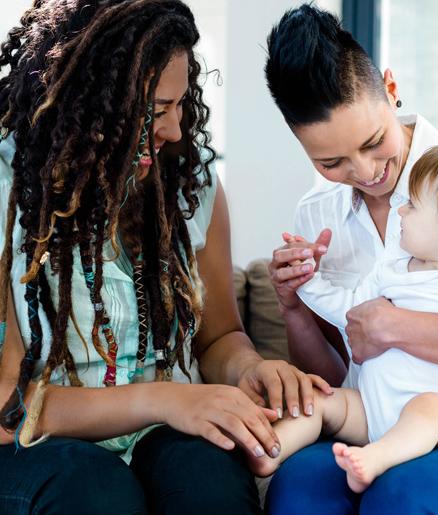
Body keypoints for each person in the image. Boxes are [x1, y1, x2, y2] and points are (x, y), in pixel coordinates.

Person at [0, 1, 331, 514]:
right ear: (90, 104)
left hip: (164, 430)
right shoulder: (8, 192)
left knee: (209, 482)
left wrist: (249, 368)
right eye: (156, 111)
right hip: (44, 448)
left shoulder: (186, 180)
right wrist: (163, 399)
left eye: (181, 104)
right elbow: (6, 412)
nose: (176, 129)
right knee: (98, 493)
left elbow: (218, 336)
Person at [264, 4, 438, 514]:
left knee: (403, 496)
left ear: (391, 91)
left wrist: (394, 326)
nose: (365, 171)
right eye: (330, 162)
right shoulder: (317, 216)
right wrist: (294, 307)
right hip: (372, 419)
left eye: (374, 143)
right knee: (299, 492)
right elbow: (332, 374)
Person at [247, 142, 438, 493]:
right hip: (374, 411)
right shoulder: (393, 269)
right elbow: (350, 308)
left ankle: (376, 460)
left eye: (414, 205)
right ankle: (268, 451)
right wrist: (307, 282)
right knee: (324, 402)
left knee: (428, 408)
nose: (400, 211)